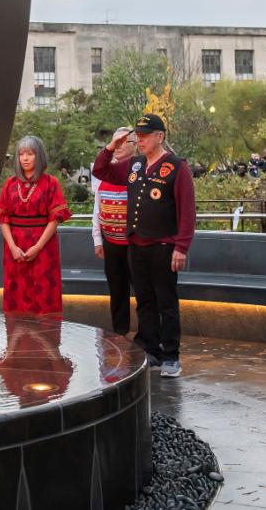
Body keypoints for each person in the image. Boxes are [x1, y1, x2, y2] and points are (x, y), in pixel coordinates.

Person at [93, 114, 195, 378]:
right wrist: (111, 147)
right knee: (145, 302)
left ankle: (171, 356)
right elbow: (100, 171)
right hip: (136, 245)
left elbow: (187, 211)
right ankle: (151, 350)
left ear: (160, 136)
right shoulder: (134, 164)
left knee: (166, 303)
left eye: (145, 135)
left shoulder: (176, 167)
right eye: (137, 135)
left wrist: (181, 247)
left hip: (163, 246)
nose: (140, 140)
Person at [0, 135, 71, 315]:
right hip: (15, 247)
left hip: (44, 246)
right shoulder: (10, 184)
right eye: (21, 154)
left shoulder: (50, 183)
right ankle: (16, 332)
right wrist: (12, 247)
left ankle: (46, 332)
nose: (25, 158)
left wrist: (38, 247)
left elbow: (55, 219)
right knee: (15, 291)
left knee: (44, 292)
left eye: (30, 154)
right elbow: (2, 218)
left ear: (39, 156)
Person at [91, 126, 136, 335]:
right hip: (111, 243)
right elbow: (97, 209)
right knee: (117, 290)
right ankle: (120, 334)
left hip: (136, 244)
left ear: (135, 145)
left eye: (123, 142)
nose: (117, 146)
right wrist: (97, 240)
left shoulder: (139, 171)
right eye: (114, 142)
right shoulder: (104, 173)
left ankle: (148, 336)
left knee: (143, 290)